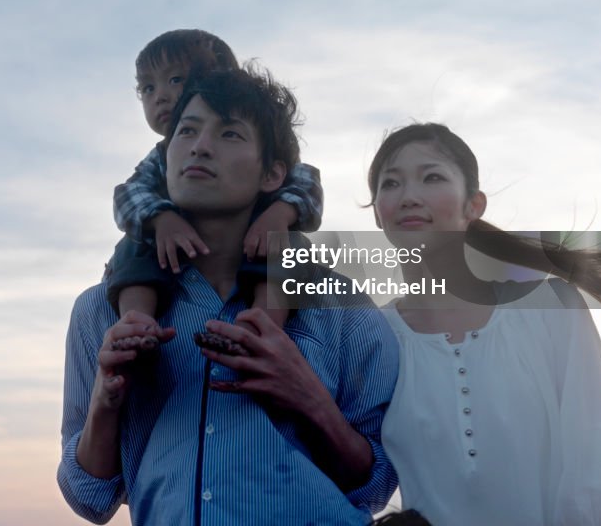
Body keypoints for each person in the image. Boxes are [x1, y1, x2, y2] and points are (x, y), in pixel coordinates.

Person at [59, 67, 399, 525]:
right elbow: (90, 497)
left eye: (230, 133)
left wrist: (308, 397)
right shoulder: (103, 311)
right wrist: (106, 398)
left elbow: (375, 484)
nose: (200, 146)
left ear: (273, 173)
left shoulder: (341, 307)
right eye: (187, 131)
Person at [368, 123, 601, 525]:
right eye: (390, 184)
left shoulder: (552, 309)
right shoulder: (374, 336)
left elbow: (599, 476)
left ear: (473, 205)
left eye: (432, 177)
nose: (409, 196)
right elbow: (362, 480)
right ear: (377, 213)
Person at [109, 29, 323, 340]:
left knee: (291, 247)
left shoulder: (267, 146)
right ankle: (137, 320)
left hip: (255, 243)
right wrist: (161, 219)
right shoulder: (160, 157)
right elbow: (128, 195)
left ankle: (265, 322)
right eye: (148, 88)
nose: (161, 96)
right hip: (171, 252)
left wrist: (281, 213)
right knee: (134, 245)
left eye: (175, 80)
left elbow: (306, 182)